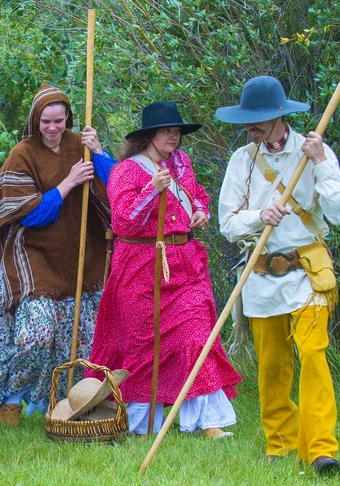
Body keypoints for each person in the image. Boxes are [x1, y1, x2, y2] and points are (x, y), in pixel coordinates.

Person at [216, 76, 340, 475]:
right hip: (260, 273)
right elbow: (227, 223)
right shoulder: (242, 159)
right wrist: (260, 216)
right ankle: (280, 444)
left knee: (312, 355)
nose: (249, 127)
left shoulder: (314, 150)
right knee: (273, 365)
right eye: (247, 120)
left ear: (280, 116)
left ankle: (321, 449)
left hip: (308, 271)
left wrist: (322, 162)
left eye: (256, 120)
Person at [85, 101, 242, 437]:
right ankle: (142, 423)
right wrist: (151, 190)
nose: (174, 136)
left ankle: (208, 422)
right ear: (150, 136)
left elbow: (197, 195)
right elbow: (123, 220)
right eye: (167, 131)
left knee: (197, 336)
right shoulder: (127, 170)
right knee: (144, 347)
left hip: (185, 263)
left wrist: (201, 212)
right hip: (141, 266)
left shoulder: (182, 164)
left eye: (177, 131)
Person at [0, 84, 114, 425]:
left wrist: (98, 153)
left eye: (59, 121)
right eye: (46, 122)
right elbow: (31, 215)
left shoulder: (80, 146)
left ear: (68, 118)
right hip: (35, 260)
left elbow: (115, 190)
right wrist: (67, 183)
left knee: (79, 345)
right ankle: (11, 398)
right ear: (36, 121)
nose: (53, 128)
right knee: (35, 337)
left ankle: (62, 404)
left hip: (81, 258)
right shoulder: (23, 153)